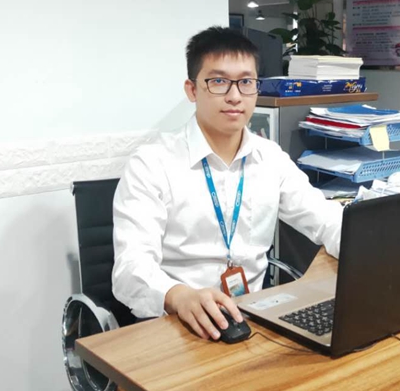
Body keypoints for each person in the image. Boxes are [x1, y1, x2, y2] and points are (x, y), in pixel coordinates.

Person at [112, 26, 343, 341]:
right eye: (219, 81)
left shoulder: (270, 158)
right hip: (178, 328)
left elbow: (326, 220)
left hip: (254, 322)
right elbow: (130, 268)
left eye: (246, 82)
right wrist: (178, 296)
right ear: (192, 90)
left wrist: (375, 244)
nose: (235, 96)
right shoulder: (152, 164)